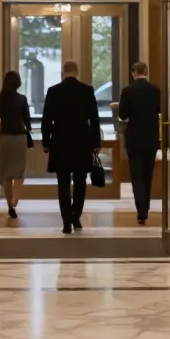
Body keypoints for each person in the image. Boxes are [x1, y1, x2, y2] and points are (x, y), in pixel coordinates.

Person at [41, 60, 101, 234]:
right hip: (82, 142)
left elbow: (46, 120)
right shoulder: (87, 91)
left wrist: (46, 142)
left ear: (63, 72)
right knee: (81, 181)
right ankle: (76, 218)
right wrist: (96, 142)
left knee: (63, 182)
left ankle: (66, 221)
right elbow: (94, 120)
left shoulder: (53, 92)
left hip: (60, 142)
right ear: (77, 72)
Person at [117, 61, 161, 225]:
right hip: (150, 137)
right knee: (148, 174)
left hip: (134, 137)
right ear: (146, 72)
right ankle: (146, 208)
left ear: (133, 73)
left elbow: (122, 115)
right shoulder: (155, 90)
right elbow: (160, 110)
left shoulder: (127, 91)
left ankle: (140, 211)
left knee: (136, 175)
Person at [0, 70, 34, 219]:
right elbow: (27, 120)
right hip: (19, 138)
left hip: (4, 138)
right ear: (18, 83)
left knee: (6, 175)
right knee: (18, 172)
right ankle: (15, 201)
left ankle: (9, 204)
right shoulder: (22, 99)